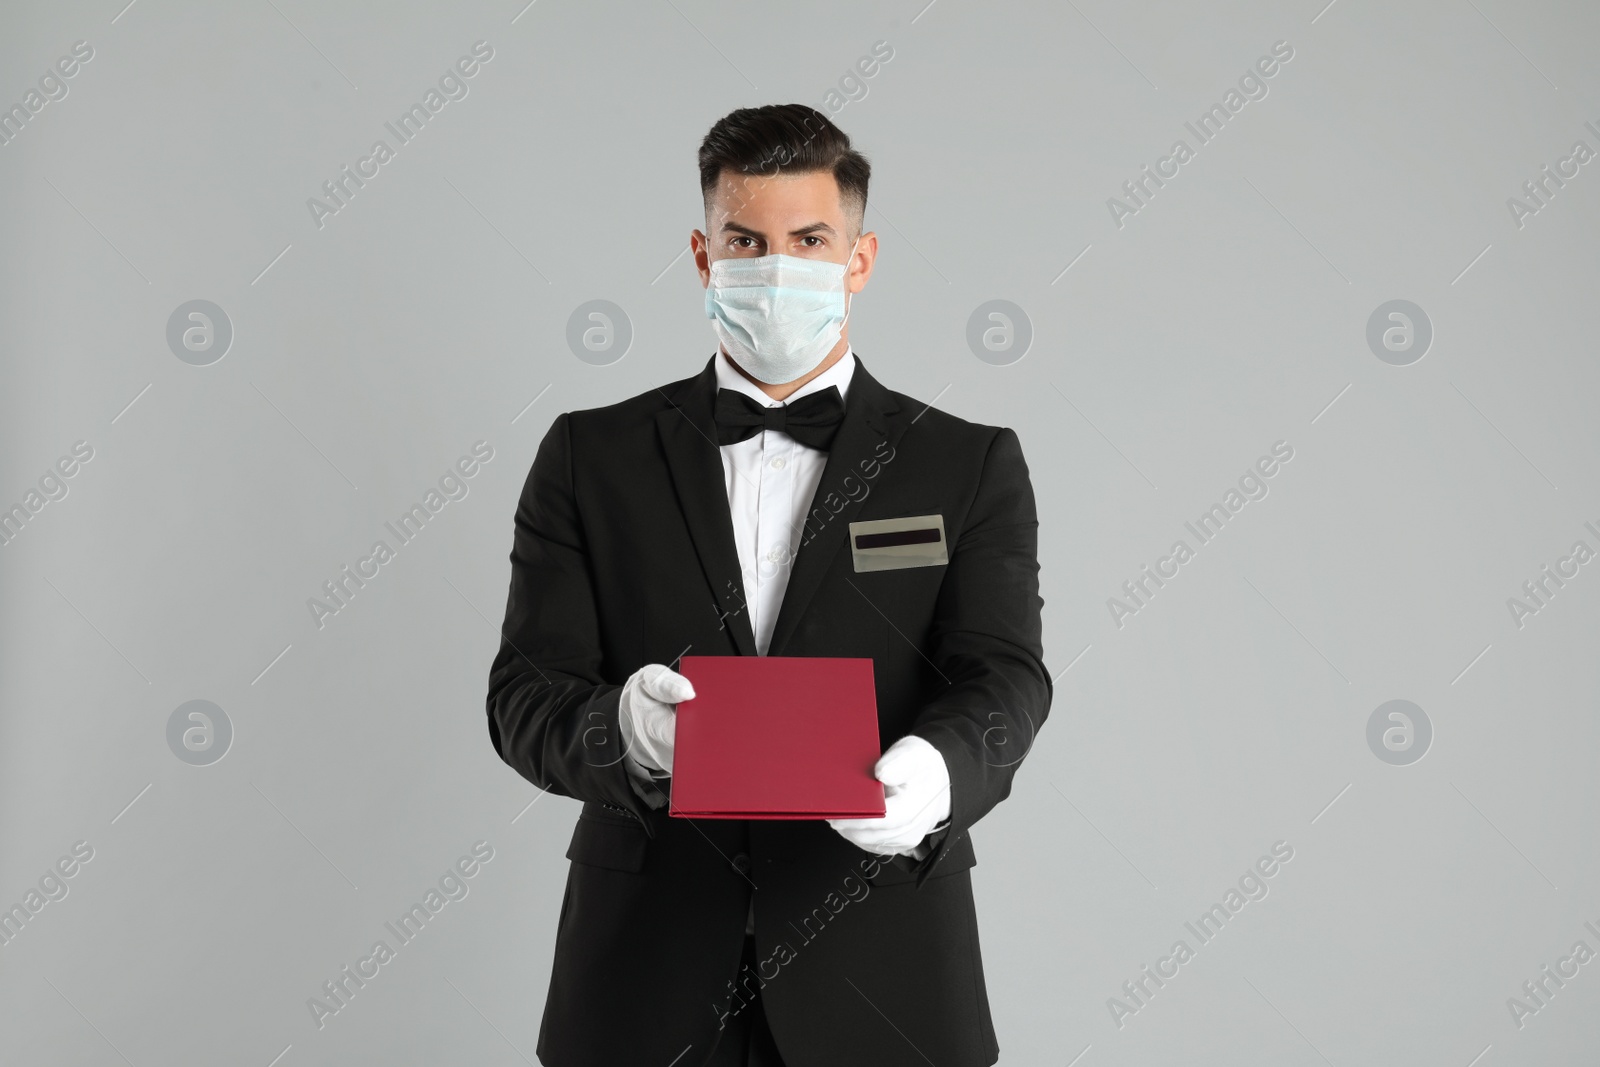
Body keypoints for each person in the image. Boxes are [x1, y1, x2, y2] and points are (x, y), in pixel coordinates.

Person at [485, 102, 1050, 1067]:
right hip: (641, 980)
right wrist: (625, 731)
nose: (774, 266)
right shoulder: (590, 455)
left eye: (809, 239)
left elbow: (1006, 677)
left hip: (886, 976)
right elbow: (522, 697)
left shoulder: (965, 463)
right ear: (703, 257)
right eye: (744, 240)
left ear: (859, 260)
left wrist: (941, 773)